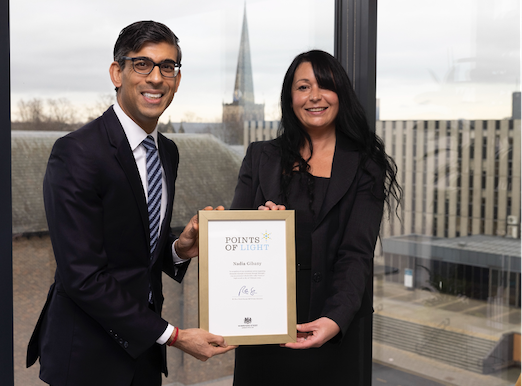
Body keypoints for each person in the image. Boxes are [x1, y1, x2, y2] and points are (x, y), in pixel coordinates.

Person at [26, 20, 233, 386]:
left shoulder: (166, 151)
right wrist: (176, 336)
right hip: (88, 358)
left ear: (177, 80)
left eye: (167, 66)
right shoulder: (76, 153)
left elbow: (137, 245)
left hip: (144, 356)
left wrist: (179, 248)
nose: (156, 78)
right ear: (116, 73)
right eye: (142, 64)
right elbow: (82, 276)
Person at [231, 50, 401, 385]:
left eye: (325, 86)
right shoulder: (259, 156)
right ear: (290, 97)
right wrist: (259, 227)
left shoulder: (366, 165)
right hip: (265, 327)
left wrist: (334, 320)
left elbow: (357, 254)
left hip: (335, 328)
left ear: (341, 95)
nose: (314, 97)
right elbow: (234, 242)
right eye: (303, 87)